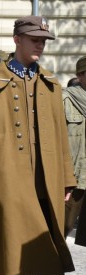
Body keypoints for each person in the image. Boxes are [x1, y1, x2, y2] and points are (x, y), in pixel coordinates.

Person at [0, 16, 76, 275]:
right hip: (5, 174)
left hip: (45, 174)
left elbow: (61, 135)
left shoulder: (51, 83)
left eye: (43, 40)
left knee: (35, 238)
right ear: (17, 39)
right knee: (12, 235)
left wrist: (66, 177)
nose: (39, 45)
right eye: (34, 39)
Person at [64, 56, 86, 249]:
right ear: (80, 75)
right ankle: (47, 272)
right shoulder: (64, 99)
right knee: (62, 225)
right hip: (74, 177)